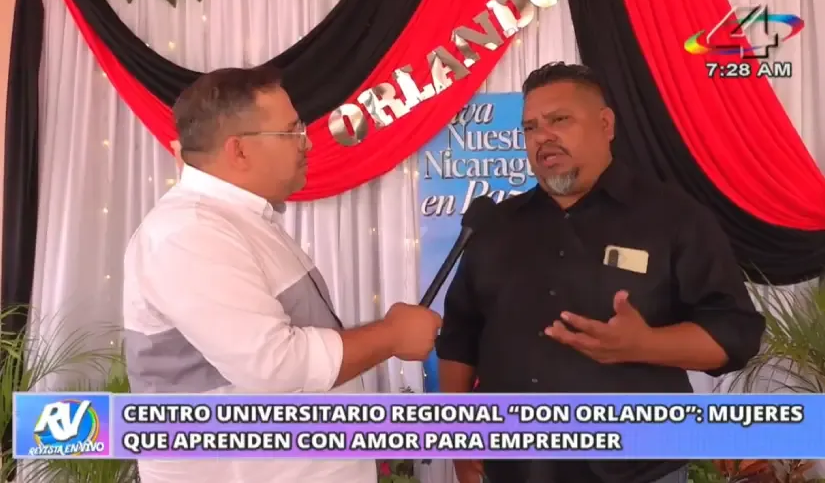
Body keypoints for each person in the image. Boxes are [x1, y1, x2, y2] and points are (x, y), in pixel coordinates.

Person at [435, 62, 766, 483]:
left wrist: (645, 345)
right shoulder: (494, 226)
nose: (543, 137)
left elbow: (735, 334)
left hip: (639, 470)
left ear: (606, 124)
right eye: (531, 127)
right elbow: (460, 338)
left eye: (560, 120)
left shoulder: (674, 218)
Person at [122, 66, 442, 483]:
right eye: (292, 132)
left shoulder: (242, 221)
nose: (307, 143)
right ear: (239, 150)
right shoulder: (190, 231)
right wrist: (392, 336)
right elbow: (274, 366)